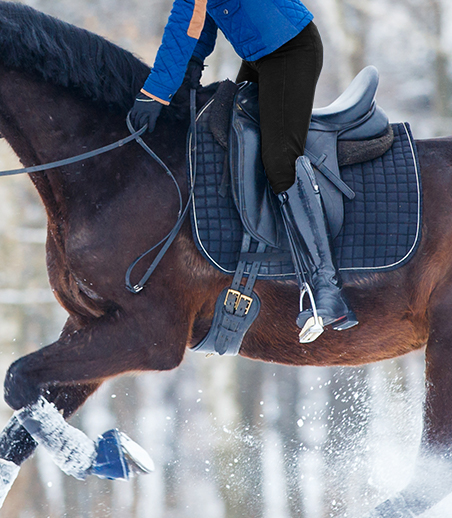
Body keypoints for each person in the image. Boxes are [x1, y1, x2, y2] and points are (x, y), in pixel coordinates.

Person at [128, 0, 358, 342]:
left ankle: (327, 289)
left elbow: (187, 15)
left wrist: (155, 93)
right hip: (259, 57)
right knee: (232, 143)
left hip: (290, 49)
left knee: (280, 159)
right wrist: (190, 70)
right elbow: (202, 15)